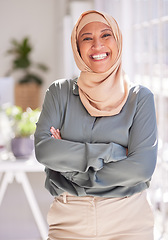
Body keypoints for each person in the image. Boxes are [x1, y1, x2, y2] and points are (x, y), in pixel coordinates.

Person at [34, 10, 158, 240]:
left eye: (106, 35)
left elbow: (141, 168)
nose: (97, 45)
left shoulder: (140, 98)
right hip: (69, 219)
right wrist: (113, 152)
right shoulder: (59, 92)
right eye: (87, 38)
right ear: (77, 47)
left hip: (129, 220)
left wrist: (71, 170)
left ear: (117, 41)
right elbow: (44, 150)